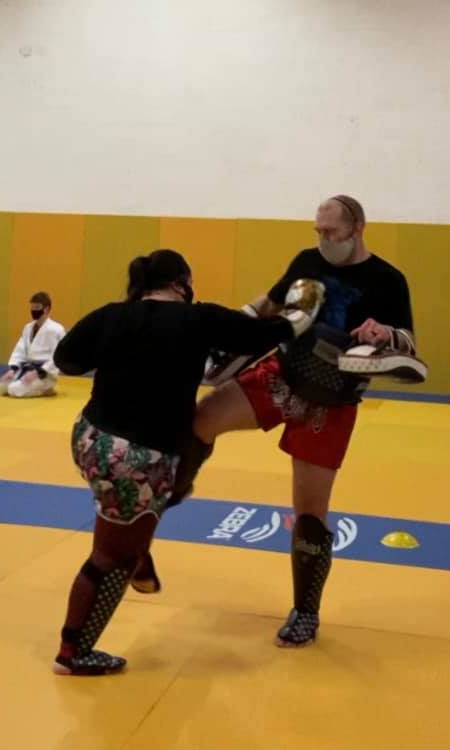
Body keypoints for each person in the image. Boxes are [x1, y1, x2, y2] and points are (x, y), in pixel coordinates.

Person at [51, 248, 323, 676]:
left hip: (90, 439)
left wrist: (122, 353)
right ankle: (73, 652)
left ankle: (135, 548)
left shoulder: (112, 314)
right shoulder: (199, 319)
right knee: (112, 556)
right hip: (138, 457)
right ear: (182, 283)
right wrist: (307, 307)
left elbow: (66, 359)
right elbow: (265, 334)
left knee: (151, 496)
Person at [170, 195, 416, 649]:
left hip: (332, 399)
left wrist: (385, 335)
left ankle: (305, 611)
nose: (323, 239)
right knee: (202, 419)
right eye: (318, 231)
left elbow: (408, 345)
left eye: (332, 231)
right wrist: (229, 328)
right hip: (282, 374)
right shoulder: (307, 261)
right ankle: (171, 491)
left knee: (309, 514)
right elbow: (270, 304)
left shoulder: (387, 279)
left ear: (358, 227)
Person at [0, 292, 66, 398]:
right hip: (28, 369)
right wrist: (12, 370)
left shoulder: (56, 329)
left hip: (45, 373)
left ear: (46, 309)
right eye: (32, 307)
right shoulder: (28, 328)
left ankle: (47, 389)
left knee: (14, 390)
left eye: (37, 307)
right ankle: (32, 385)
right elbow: (19, 350)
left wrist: (37, 372)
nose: (34, 311)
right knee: (2, 387)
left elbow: (57, 357)